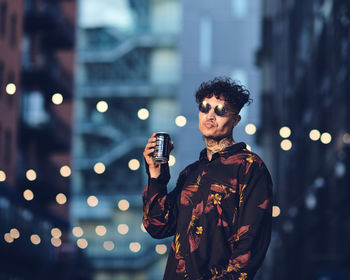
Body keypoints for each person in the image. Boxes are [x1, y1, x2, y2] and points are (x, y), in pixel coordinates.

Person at [142, 77, 273, 280]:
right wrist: (156, 176)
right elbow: (158, 226)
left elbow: (252, 241)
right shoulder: (191, 173)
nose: (210, 116)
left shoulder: (249, 167)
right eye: (205, 108)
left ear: (235, 120)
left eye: (220, 110)